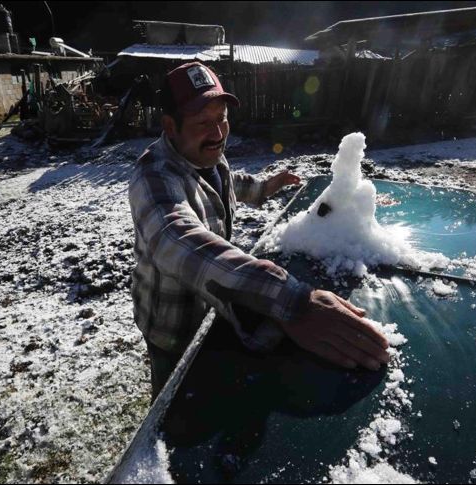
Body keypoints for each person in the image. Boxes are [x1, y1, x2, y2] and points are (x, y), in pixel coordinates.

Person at [128, 62, 390, 399]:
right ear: (170, 126)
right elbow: (176, 240)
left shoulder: (207, 155)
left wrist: (266, 186)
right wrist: (294, 301)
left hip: (215, 306)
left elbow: (229, 183)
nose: (218, 133)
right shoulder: (154, 176)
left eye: (222, 119)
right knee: (175, 403)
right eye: (203, 123)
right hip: (172, 325)